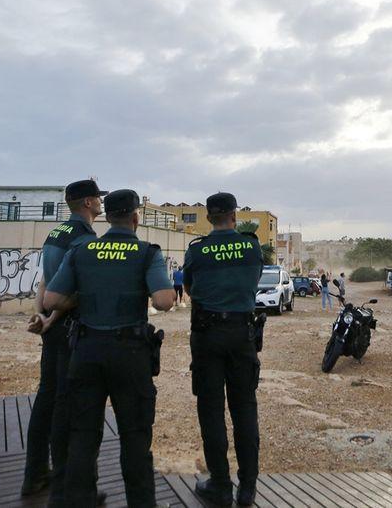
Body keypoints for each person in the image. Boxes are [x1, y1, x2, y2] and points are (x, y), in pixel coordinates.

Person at [44, 189, 175, 508]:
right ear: (135, 218)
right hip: (130, 354)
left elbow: (51, 300)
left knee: (83, 438)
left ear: (106, 217)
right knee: (135, 438)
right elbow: (163, 300)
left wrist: (86, 297)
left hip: (86, 351)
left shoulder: (82, 250)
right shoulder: (147, 252)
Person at [22, 179, 104, 499]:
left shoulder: (55, 233)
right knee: (67, 407)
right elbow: (77, 288)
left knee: (46, 400)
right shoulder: (84, 237)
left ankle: (34, 475)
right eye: (97, 198)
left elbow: (45, 281)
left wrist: (41, 316)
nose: (100, 203)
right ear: (86, 203)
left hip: (53, 329)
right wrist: (53, 316)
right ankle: (68, 486)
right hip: (70, 329)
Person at [182, 192, 265, 507]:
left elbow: (190, 288)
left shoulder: (198, 251)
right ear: (234, 214)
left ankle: (220, 484)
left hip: (207, 335)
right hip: (242, 334)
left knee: (211, 411)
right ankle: (247, 489)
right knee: (245, 409)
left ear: (208, 217)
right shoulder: (251, 246)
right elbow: (253, 281)